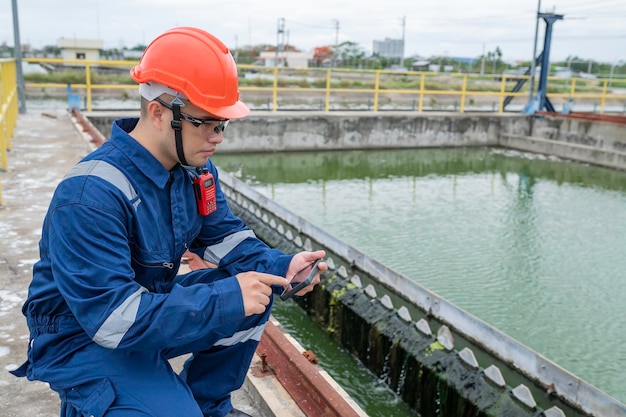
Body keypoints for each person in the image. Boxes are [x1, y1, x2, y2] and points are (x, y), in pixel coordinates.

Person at [10, 26, 326, 417]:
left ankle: (209, 408)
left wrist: (282, 266)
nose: (217, 137)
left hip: (146, 309)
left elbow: (223, 236)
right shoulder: (89, 195)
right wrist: (226, 298)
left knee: (254, 296)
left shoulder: (193, 169)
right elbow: (112, 320)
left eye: (222, 124)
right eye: (206, 123)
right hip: (81, 336)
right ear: (159, 113)